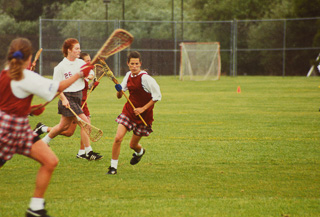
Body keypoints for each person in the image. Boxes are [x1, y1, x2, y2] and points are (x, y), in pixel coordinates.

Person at [0, 37, 92, 217]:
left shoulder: (5, 72)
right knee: (48, 162)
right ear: (29, 57)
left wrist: (30, 109)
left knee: (50, 161)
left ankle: (35, 209)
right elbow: (58, 87)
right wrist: (79, 74)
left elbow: (10, 100)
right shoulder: (26, 76)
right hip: (11, 129)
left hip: (18, 128)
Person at [41, 38, 103, 161]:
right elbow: (56, 87)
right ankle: (88, 152)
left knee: (62, 126)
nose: (79, 51)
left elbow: (90, 73)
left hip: (78, 97)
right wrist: (63, 99)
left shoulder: (80, 63)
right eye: (76, 48)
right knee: (85, 123)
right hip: (68, 98)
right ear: (69, 50)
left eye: (79, 48)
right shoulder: (60, 67)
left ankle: (43, 142)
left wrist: (89, 76)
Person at [107, 51, 162, 175]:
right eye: (132, 64)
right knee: (118, 138)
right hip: (129, 112)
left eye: (137, 64)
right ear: (128, 64)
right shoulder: (128, 76)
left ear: (140, 64)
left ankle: (140, 152)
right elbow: (119, 96)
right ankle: (113, 168)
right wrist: (119, 90)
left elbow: (157, 96)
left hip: (144, 115)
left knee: (133, 145)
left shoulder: (146, 78)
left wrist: (143, 108)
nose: (134, 66)